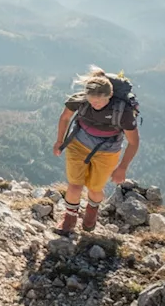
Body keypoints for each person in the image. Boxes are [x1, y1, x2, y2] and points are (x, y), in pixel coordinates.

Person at [52, 66, 139, 233]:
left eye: (99, 102)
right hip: (78, 144)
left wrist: (122, 168)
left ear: (110, 96)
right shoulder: (81, 100)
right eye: (91, 101)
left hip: (107, 151)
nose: (95, 105)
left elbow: (133, 142)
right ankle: (69, 219)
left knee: (95, 189)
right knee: (75, 186)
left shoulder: (123, 112)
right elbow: (64, 117)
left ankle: (92, 211)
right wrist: (59, 141)